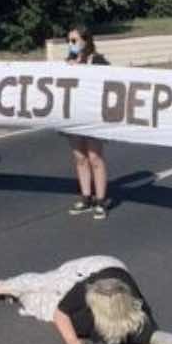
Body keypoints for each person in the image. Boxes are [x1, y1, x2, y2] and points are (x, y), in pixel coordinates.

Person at [0, 255, 156, 344]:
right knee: (44, 296)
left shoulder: (134, 301)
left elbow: (149, 330)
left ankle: (8, 290)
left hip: (109, 269)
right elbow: (60, 312)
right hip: (83, 270)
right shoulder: (86, 290)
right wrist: (71, 340)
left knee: (64, 315)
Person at [63, 26, 111, 220]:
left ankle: (101, 200)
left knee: (94, 157)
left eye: (74, 41)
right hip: (75, 115)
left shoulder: (98, 60)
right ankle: (86, 196)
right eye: (69, 41)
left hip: (92, 115)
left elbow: (110, 81)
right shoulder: (68, 62)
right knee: (79, 157)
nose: (71, 44)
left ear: (85, 40)